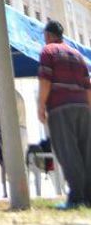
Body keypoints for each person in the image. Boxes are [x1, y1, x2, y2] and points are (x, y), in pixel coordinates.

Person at [37, 19, 91, 209]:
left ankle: (77, 198)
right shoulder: (78, 55)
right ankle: (88, 197)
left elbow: (45, 81)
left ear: (48, 35)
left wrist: (41, 106)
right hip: (83, 107)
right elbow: (88, 86)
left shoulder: (48, 51)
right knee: (86, 151)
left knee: (68, 152)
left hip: (61, 107)